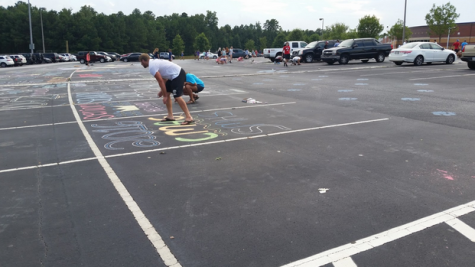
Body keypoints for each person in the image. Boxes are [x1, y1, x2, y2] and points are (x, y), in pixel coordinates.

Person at [139, 54, 194, 125]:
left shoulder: (152, 67)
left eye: (141, 62)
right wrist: (163, 92)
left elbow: (160, 81)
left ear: (143, 60)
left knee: (177, 96)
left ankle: (189, 117)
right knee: (167, 93)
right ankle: (170, 116)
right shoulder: (153, 62)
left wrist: (164, 95)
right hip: (172, 77)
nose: (141, 64)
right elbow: (164, 79)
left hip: (177, 74)